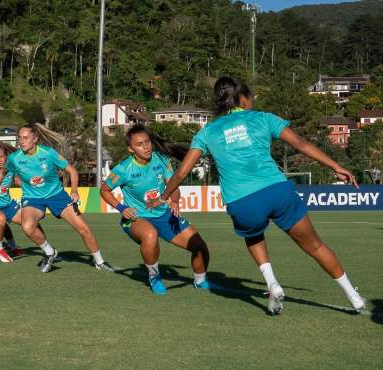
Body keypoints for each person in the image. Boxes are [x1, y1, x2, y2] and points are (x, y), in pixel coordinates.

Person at [148, 76, 366, 313]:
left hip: (242, 200)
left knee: (253, 236)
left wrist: (163, 197)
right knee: (315, 246)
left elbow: (181, 173)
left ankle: (272, 282)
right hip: (277, 191)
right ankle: (353, 296)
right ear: (242, 98)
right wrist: (335, 166)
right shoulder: (264, 118)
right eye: (250, 97)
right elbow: (301, 144)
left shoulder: (207, 132)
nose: (252, 101)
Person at [100, 125, 212, 295]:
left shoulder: (161, 159)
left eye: (147, 142)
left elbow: (173, 186)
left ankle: (200, 280)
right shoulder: (123, 169)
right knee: (150, 235)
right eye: (139, 144)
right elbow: (104, 190)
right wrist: (121, 208)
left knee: (200, 247)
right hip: (136, 218)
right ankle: (154, 277)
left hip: (164, 214)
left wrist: (174, 200)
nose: (145, 147)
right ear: (131, 149)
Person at [5, 123, 115, 273]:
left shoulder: (49, 153)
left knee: (83, 228)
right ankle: (50, 252)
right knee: (27, 226)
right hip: (32, 198)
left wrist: (74, 191)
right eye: (20, 138)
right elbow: (10, 171)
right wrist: (17, 177)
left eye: (26, 138)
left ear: (35, 139)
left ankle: (100, 262)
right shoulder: (14, 158)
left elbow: (72, 171)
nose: (21, 141)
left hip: (57, 195)